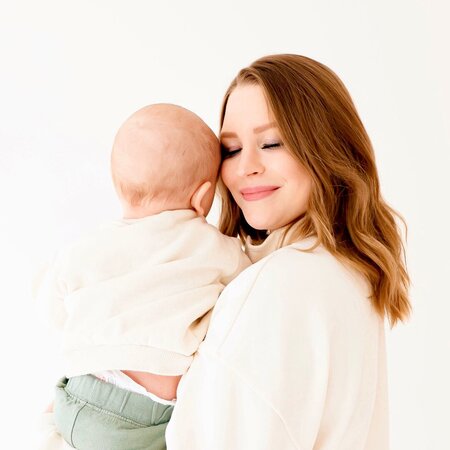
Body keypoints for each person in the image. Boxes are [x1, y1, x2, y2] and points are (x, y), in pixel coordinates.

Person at [164, 54, 411, 449]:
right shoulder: (348, 274)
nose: (246, 167)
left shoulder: (279, 286)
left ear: (327, 148)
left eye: (272, 143)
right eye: (230, 149)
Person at [35, 104, 250, 449]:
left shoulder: (86, 248)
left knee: (56, 421)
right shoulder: (215, 249)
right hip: (145, 417)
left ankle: (53, 430)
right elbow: (247, 296)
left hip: (78, 394)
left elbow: (53, 309)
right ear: (203, 196)